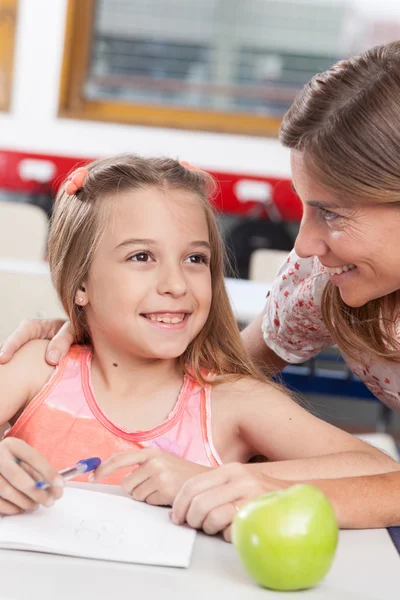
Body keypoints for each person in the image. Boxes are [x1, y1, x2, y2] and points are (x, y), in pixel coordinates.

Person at [0, 154, 395, 520]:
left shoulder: (233, 401)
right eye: (141, 257)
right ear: (80, 280)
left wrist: (224, 482)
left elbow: (380, 472)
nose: (175, 284)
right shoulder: (38, 368)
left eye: (195, 259)